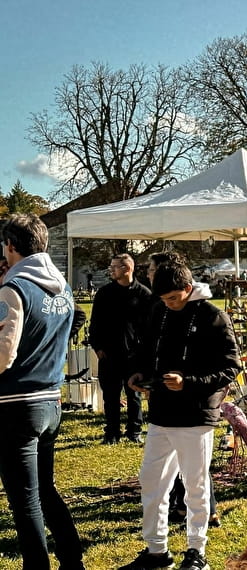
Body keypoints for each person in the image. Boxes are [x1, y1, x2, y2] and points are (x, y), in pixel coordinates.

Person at [119, 260, 240, 570]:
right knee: (152, 480)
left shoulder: (214, 318)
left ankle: (196, 550)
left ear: (188, 289)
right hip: (161, 412)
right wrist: (138, 373)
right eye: (163, 299)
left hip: (197, 415)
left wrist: (188, 383)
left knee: (195, 484)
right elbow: (146, 348)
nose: (168, 304)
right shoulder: (158, 310)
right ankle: (156, 549)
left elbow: (230, 368)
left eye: (173, 298)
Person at [0, 214, 85, 570]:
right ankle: (71, 557)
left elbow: (3, 354)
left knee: (25, 501)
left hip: (16, 404)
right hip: (51, 400)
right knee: (45, 490)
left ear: (11, 246)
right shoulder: (62, 287)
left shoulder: (14, 288)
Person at [90, 253, 152, 444]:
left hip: (134, 355)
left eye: (115, 267)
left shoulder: (144, 294)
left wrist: (143, 353)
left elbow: (150, 327)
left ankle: (134, 431)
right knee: (110, 395)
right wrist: (98, 347)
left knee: (134, 395)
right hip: (109, 354)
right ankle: (112, 433)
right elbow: (95, 324)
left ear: (127, 268)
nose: (111, 270)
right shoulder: (104, 293)